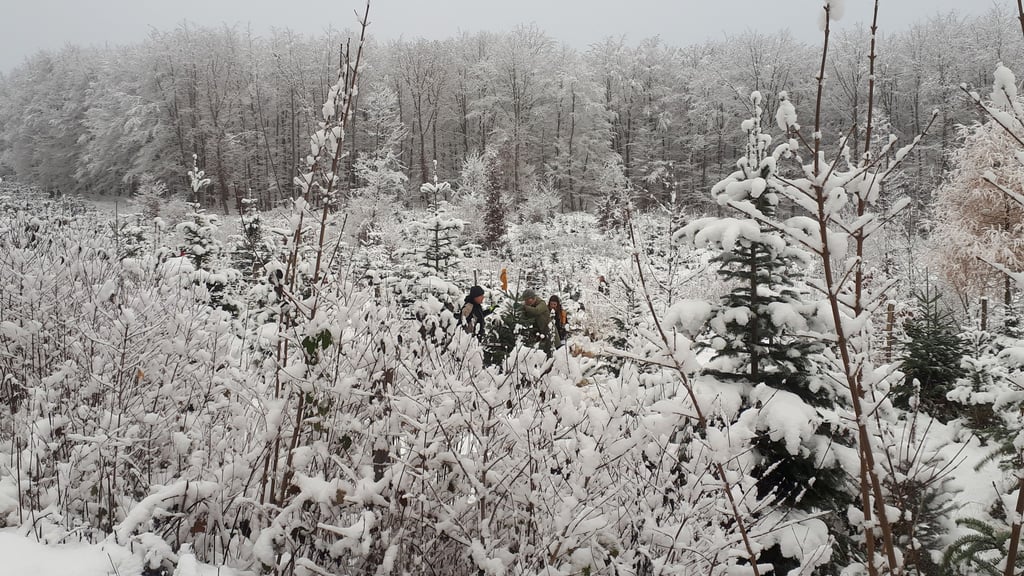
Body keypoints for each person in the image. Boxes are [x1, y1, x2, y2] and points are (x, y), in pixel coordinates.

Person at [520, 289, 551, 353]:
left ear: (533, 298)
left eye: (527, 300)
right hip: (538, 333)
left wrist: (524, 307)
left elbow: (536, 311)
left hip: (549, 332)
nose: (526, 302)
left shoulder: (542, 303)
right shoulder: (530, 306)